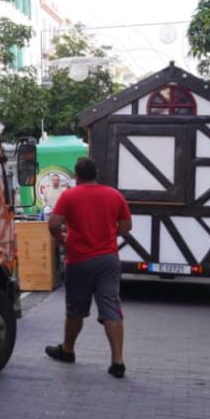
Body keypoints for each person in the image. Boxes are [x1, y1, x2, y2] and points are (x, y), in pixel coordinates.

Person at [45, 157, 132, 378]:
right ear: (96, 174)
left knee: (76, 309)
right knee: (111, 308)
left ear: (77, 176)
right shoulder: (114, 195)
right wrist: (109, 234)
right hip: (108, 260)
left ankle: (68, 350)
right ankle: (117, 362)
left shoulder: (69, 195)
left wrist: (63, 239)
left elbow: (54, 224)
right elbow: (126, 225)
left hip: (79, 260)